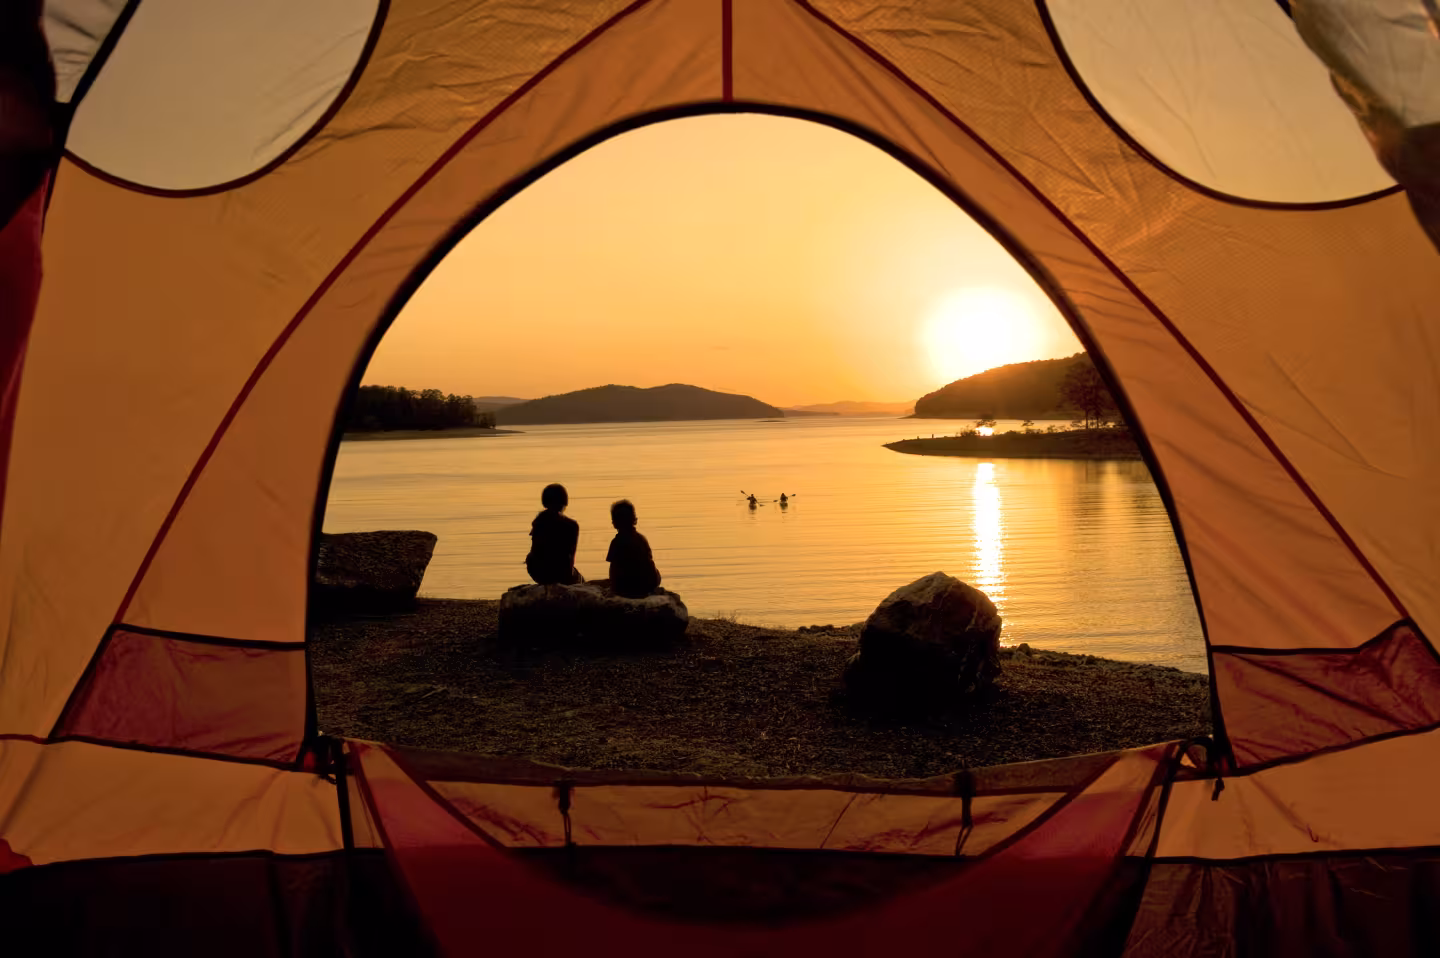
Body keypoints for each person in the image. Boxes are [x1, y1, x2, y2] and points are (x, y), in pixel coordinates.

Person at [525, 483, 582, 585]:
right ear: (565, 502)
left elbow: (534, 551)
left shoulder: (538, 522)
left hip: (540, 572)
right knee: (580, 578)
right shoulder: (572, 525)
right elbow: (571, 555)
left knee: (530, 557)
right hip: (561, 573)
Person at [605, 499, 661, 598]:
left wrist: (613, 588)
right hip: (647, 584)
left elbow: (613, 568)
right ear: (634, 519)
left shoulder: (616, 542)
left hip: (628, 587)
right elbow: (648, 563)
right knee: (657, 573)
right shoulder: (641, 539)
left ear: (614, 523)